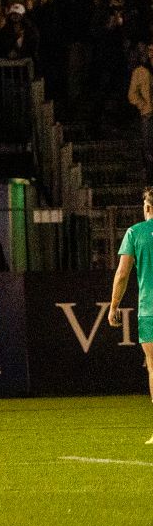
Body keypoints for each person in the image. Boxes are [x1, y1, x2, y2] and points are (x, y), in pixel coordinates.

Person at [104, 186, 153, 439]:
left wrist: (114, 306)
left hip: (149, 309)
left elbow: (122, 274)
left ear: (147, 207)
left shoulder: (135, 232)